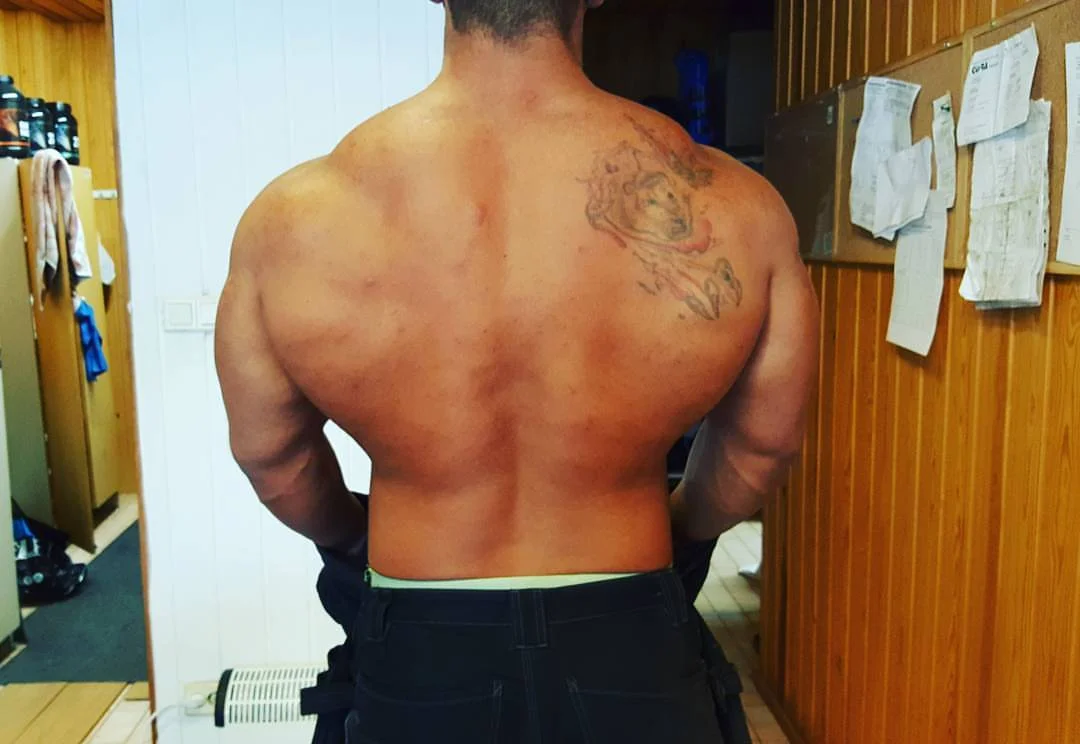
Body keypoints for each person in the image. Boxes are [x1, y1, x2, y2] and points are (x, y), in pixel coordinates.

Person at [214, 0, 819, 741]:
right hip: (630, 636)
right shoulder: (736, 206)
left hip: (422, 648)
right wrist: (680, 528)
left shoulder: (293, 219)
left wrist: (351, 539)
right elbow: (762, 449)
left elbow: (272, 458)